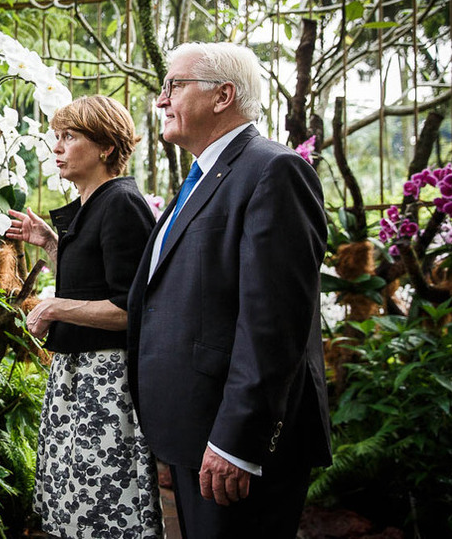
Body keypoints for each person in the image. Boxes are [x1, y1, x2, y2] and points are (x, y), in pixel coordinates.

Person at [126, 42, 332, 538]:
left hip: (234, 445)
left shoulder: (272, 170)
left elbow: (274, 323)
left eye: (173, 85)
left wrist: (237, 442)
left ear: (222, 96)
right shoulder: (204, 175)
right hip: (194, 432)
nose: (160, 100)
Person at [7, 95, 163, 539]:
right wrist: (51, 244)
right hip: (78, 375)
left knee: (102, 508)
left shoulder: (121, 204)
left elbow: (131, 309)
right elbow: (91, 286)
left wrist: (53, 307)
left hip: (106, 382)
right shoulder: (94, 204)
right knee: (74, 504)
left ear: (106, 148)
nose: (57, 146)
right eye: (56, 136)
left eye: (70, 136)